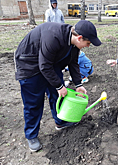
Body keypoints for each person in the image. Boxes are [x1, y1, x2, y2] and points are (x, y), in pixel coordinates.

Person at [14, 20, 101, 152]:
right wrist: (59, 86)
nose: (88, 46)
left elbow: (73, 63)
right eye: (88, 43)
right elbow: (43, 66)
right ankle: (31, 135)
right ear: (79, 37)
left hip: (49, 63)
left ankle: (60, 121)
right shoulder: (53, 36)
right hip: (29, 65)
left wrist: (78, 84)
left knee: (58, 95)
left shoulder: (74, 44)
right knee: (34, 102)